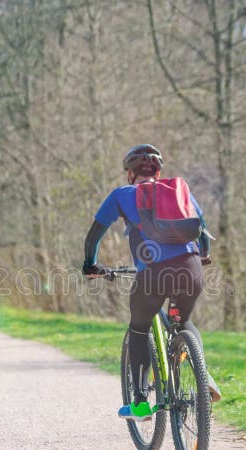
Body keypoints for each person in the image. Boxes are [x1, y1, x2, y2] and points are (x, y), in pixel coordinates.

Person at [82, 144, 211, 422]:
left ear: (130, 174)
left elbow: (94, 236)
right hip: (191, 269)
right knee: (183, 320)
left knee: (139, 328)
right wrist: (205, 256)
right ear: (158, 171)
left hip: (153, 274)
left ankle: (140, 403)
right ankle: (205, 377)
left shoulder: (121, 195)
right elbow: (202, 229)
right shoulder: (179, 190)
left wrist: (90, 264)